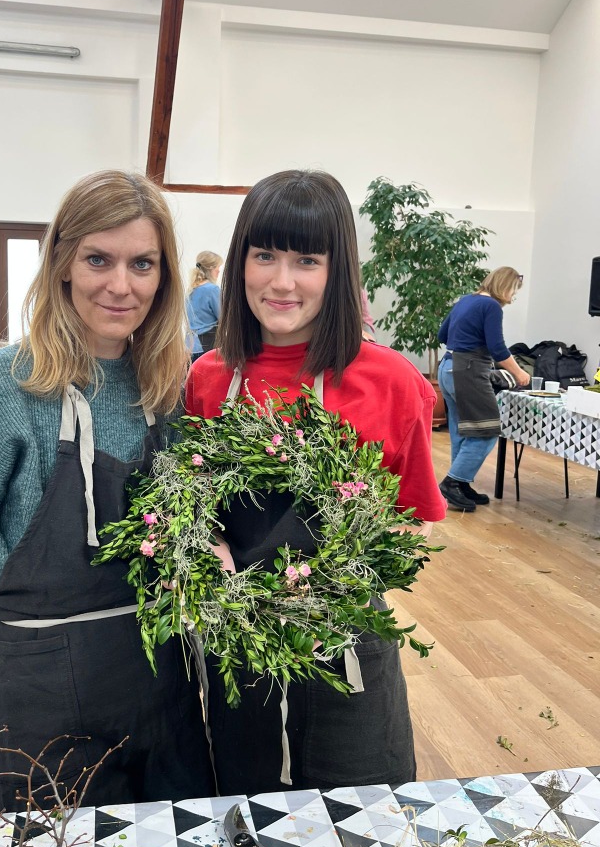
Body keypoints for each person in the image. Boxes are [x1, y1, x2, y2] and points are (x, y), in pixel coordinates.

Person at [0, 170, 214, 812]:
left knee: (175, 846)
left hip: (157, 674)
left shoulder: (166, 386)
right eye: (98, 259)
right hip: (38, 685)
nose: (121, 285)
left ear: (164, 278)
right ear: (61, 264)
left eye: (142, 264)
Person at [185, 169, 446, 795]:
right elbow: (190, 500)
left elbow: (410, 517)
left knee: (362, 813)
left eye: (307, 260)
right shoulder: (208, 378)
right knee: (246, 810)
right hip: (238, 640)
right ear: (239, 264)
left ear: (338, 271)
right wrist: (205, 547)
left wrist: (334, 574)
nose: (282, 281)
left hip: (348, 637)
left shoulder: (392, 382)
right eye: (264, 256)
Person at [436, 267, 530, 512]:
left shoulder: (466, 300)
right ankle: (452, 483)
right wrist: (519, 373)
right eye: (514, 290)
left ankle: (461, 484)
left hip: (447, 368)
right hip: (468, 371)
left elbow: (442, 334)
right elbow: (498, 349)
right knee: (486, 431)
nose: (513, 296)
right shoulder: (491, 307)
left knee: (462, 430)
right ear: (504, 286)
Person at [185, 250, 222, 359]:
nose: (219, 271)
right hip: (208, 345)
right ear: (211, 268)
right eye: (217, 267)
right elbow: (224, 318)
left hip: (189, 346)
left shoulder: (190, 290)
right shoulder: (212, 290)